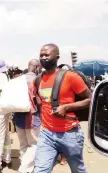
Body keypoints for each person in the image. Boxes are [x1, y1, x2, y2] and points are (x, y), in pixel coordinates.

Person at [33, 43, 91, 173]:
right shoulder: (38, 79)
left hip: (70, 133)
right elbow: (42, 101)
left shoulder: (70, 76)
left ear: (56, 57)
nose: (43, 58)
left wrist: (66, 107)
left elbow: (90, 99)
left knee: (78, 169)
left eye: (47, 55)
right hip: (47, 133)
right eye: (41, 55)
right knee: (40, 170)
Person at [13, 59, 42, 173]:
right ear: (36, 68)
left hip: (18, 117)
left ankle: (25, 166)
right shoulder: (38, 80)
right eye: (39, 67)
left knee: (23, 144)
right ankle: (24, 168)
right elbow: (40, 101)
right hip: (32, 117)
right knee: (34, 145)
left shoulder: (17, 80)